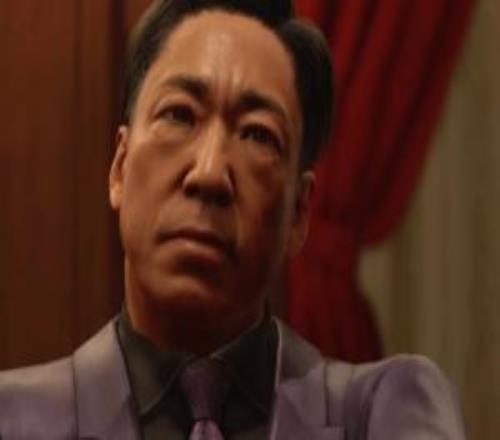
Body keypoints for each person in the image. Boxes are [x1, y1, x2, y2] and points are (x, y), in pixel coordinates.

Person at [0, 0, 466, 438]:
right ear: (119, 168)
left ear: (298, 213)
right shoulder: (14, 417)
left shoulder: (382, 409)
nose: (209, 173)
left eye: (258, 135)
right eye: (179, 115)